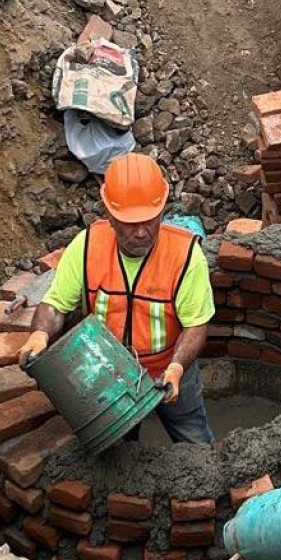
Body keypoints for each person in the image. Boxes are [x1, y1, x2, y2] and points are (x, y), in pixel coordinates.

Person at [18, 153, 216, 444]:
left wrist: (176, 368)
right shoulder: (87, 247)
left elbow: (196, 324)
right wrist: (39, 334)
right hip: (109, 374)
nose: (141, 232)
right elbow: (57, 305)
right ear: (109, 216)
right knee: (120, 451)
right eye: (129, 223)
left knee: (193, 439)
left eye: (150, 220)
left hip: (169, 369)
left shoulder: (185, 256)